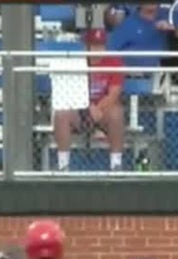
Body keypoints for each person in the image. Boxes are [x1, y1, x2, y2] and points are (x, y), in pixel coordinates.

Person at [53, 29, 125, 171]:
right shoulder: (75, 62)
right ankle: (63, 165)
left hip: (103, 111)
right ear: (86, 45)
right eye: (93, 45)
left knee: (117, 113)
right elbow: (69, 92)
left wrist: (97, 108)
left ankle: (116, 163)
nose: (97, 50)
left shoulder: (113, 62)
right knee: (61, 115)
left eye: (100, 46)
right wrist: (88, 107)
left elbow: (114, 93)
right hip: (79, 108)